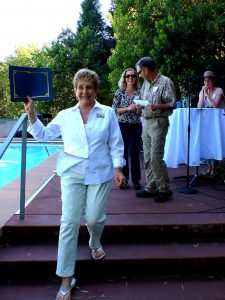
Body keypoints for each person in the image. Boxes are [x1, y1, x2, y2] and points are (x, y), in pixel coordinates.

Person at [24, 68, 126, 300]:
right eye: (80, 87)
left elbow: (115, 143)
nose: (84, 91)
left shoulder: (107, 113)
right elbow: (44, 135)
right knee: (68, 223)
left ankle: (94, 240)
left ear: (96, 90)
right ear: (75, 90)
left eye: (89, 87)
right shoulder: (65, 115)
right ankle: (66, 279)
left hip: (100, 173)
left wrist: (118, 168)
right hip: (71, 174)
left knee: (94, 218)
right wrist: (32, 116)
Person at [135, 57, 176, 202]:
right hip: (146, 122)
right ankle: (151, 187)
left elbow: (172, 103)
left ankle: (165, 189)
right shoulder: (145, 83)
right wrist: (139, 106)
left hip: (159, 122)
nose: (139, 75)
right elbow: (142, 100)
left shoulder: (165, 81)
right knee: (147, 157)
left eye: (140, 71)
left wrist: (157, 106)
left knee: (155, 157)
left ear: (146, 69)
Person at [112, 68, 142, 190]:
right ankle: (124, 180)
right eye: (127, 76)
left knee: (134, 152)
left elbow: (142, 111)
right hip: (122, 125)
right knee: (122, 153)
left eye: (133, 76)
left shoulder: (140, 93)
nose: (130, 78)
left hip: (135, 124)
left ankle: (136, 181)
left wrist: (140, 109)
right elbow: (114, 110)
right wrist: (128, 108)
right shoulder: (119, 92)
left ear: (136, 78)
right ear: (124, 78)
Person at [197, 70, 225, 176]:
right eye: (205, 81)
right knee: (207, 142)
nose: (206, 83)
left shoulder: (219, 91)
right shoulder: (203, 91)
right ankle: (209, 166)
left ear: (213, 81)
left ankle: (215, 167)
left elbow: (215, 106)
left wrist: (208, 97)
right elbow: (199, 107)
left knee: (215, 142)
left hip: (218, 121)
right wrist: (202, 95)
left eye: (208, 81)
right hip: (207, 121)